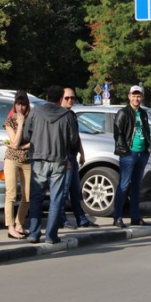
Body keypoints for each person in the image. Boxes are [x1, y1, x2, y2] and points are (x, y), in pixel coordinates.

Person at [23, 85, 79, 244]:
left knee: (36, 197)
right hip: (59, 161)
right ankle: (51, 235)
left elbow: (27, 135)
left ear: (47, 97)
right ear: (61, 99)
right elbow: (73, 140)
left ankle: (34, 233)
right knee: (56, 199)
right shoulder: (67, 116)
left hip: (38, 159)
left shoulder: (35, 112)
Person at [113, 85, 151, 228]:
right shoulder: (123, 112)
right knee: (123, 185)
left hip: (142, 154)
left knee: (136, 186)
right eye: (134, 95)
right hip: (129, 154)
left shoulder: (143, 113)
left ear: (142, 97)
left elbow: (147, 132)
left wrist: (148, 149)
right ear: (129, 96)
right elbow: (118, 134)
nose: (136, 98)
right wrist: (125, 151)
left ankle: (135, 217)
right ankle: (117, 217)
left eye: (139, 96)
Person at [59, 87, 97, 229]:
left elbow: (76, 136)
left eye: (72, 98)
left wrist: (82, 153)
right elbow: (60, 139)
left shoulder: (72, 114)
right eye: (67, 98)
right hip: (65, 158)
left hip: (73, 156)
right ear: (61, 99)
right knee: (64, 189)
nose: (70, 100)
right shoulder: (60, 116)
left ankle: (81, 219)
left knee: (75, 190)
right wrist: (66, 159)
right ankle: (61, 219)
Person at [2, 91, 31, 239]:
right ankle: (10, 227)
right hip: (11, 160)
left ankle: (19, 223)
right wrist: (19, 124)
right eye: (18, 104)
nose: (20, 107)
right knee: (11, 194)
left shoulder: (30, 120)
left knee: (27, 195)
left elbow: (35, 140)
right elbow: (14, 142)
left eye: (23, 104)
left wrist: (24, 147)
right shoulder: (9, 121)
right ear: (14, 105)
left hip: (26, 160)